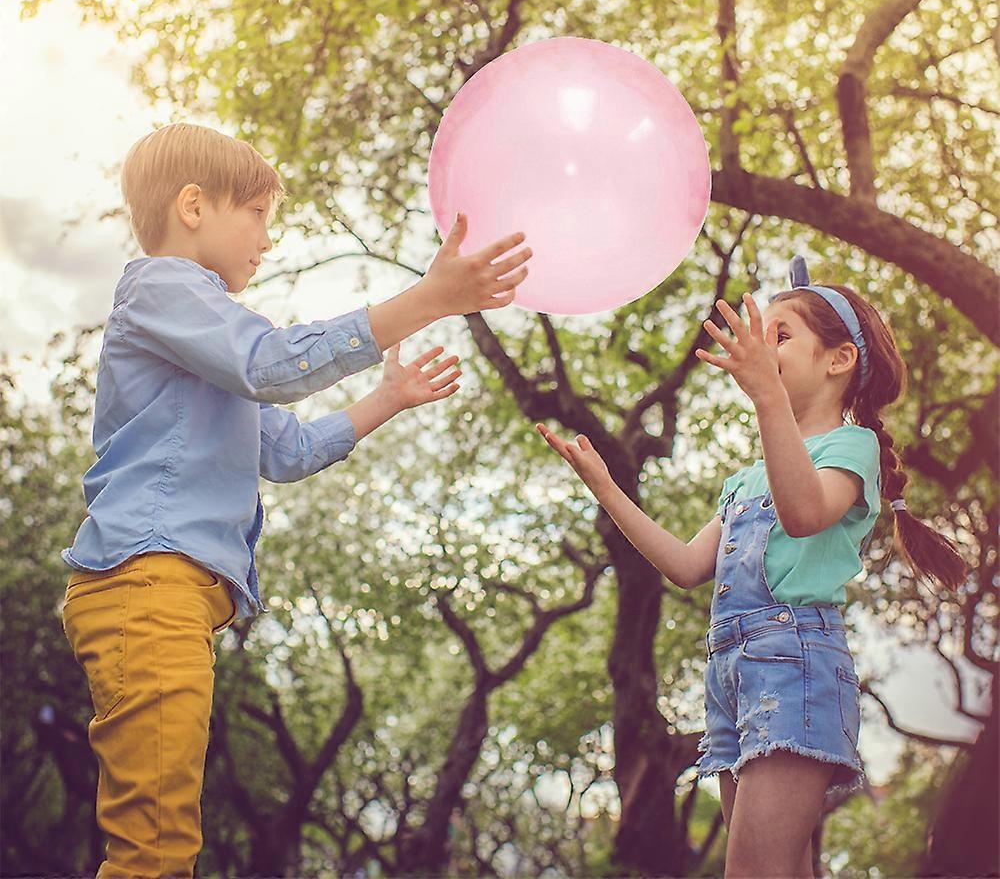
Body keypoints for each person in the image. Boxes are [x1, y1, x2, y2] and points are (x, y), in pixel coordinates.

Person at [60, 122, 532, 877]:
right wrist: (428, 299)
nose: (268, 241)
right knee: (154, 846)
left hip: (168, 593)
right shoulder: (164, 288)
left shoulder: (206, 343)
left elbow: (287, 450)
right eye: (258, 216)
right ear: (192, 207)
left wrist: (387, 399)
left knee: (163, 838)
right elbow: (272, 364)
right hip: (147, 582)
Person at [536, 254, 966, 878]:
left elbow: (802, 512)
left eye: (781, 337)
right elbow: (685, 566)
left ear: (839, 360)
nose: (764, 349)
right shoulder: (746, 479)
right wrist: (607, 489)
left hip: (794, 661)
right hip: (731, 674)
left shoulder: (854, 446)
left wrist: (765, 391)